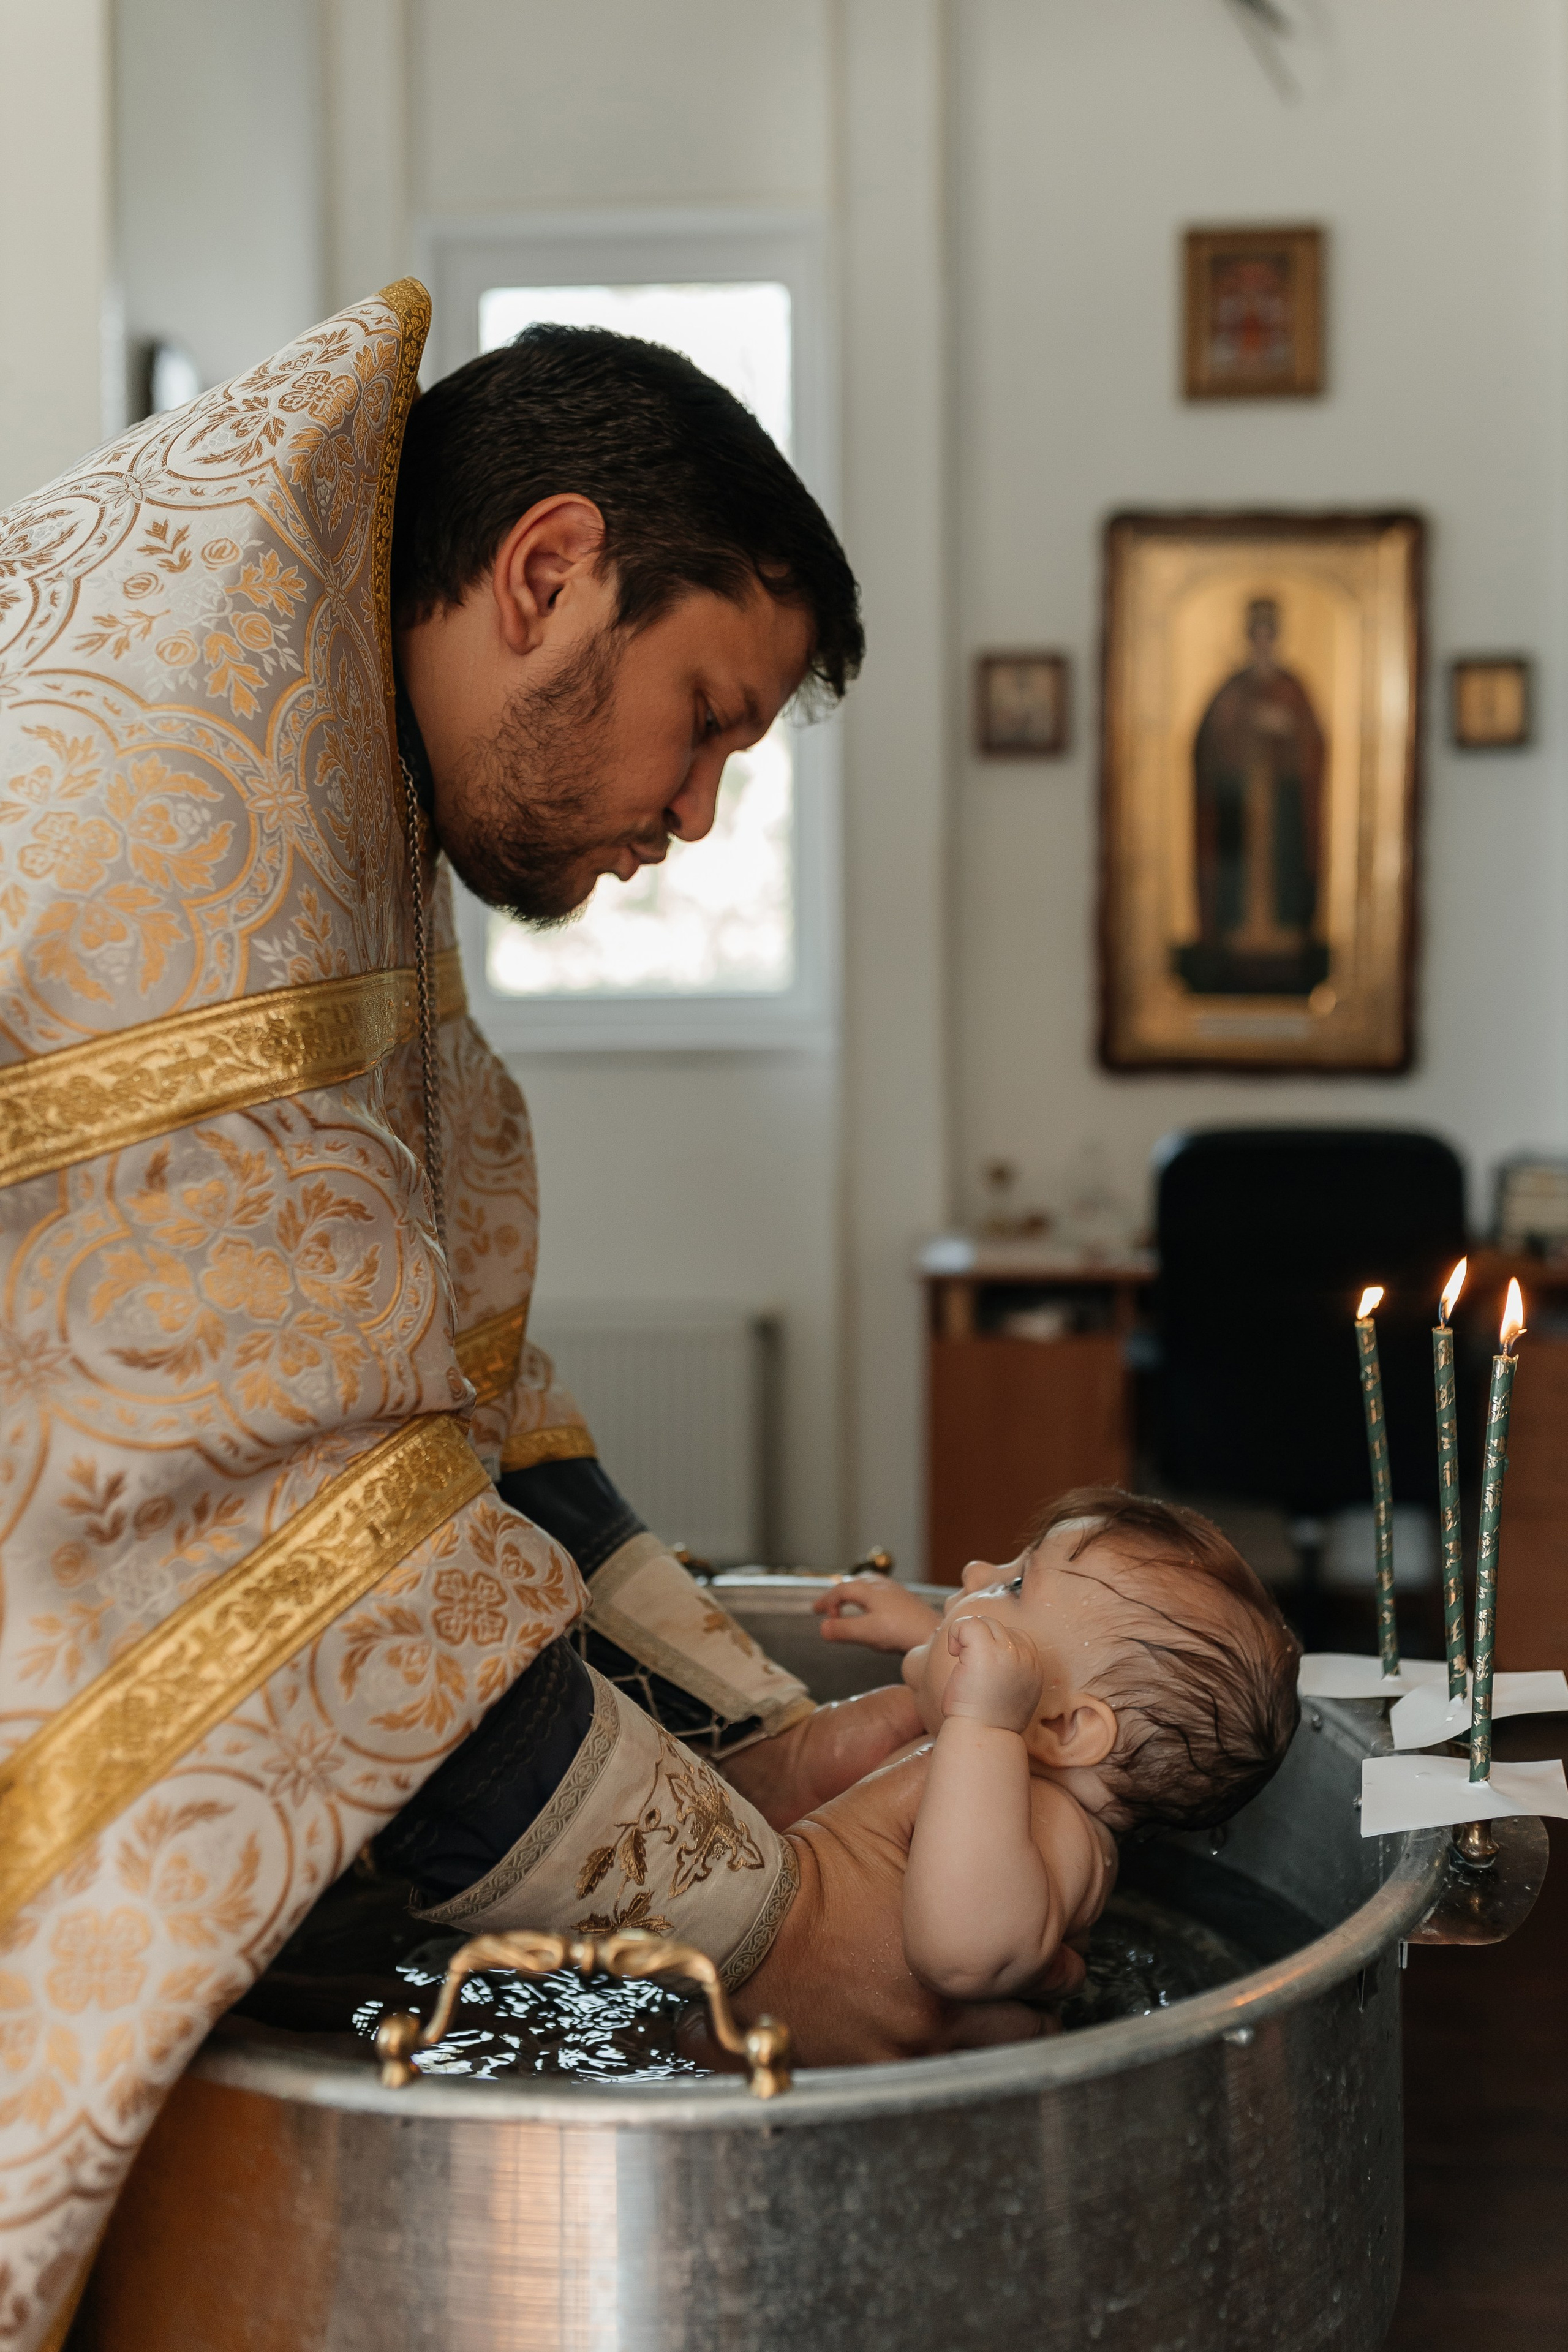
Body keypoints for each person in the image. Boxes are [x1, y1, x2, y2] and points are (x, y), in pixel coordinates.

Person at [0, 280, 898, 2346]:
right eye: (710, 722)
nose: (693, 820)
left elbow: (439, 1396)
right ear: (550, 573)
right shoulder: (188, 830)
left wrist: (755, 1738)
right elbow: (313, 1554)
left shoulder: (335, 763)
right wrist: (776, 1926)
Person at [715, 1490, 1300, 2068]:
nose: (975, 1571)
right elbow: (994, 1715)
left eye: (1015, 1586)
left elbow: (964, 1958)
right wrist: (929, 1636)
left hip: (826, 2069)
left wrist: (984, 1720)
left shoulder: (1055, 1827)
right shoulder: (1015, 1759)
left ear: (1066, 1727)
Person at [1174, 595, 1329, 1000]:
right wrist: (1244, 728)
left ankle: (1287, 937)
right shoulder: (1232, 689)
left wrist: (1286, 732)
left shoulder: (1292, 688)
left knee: (1283, 868)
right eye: (1256, 634)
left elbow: (1313, 744)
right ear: (1248, 637)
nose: (1263, 641)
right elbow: (1207, 745)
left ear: (1277, 638)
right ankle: (1230, 938)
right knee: (1236, 876)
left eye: (1269, 634)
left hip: (1283, 803)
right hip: (1237, 803)